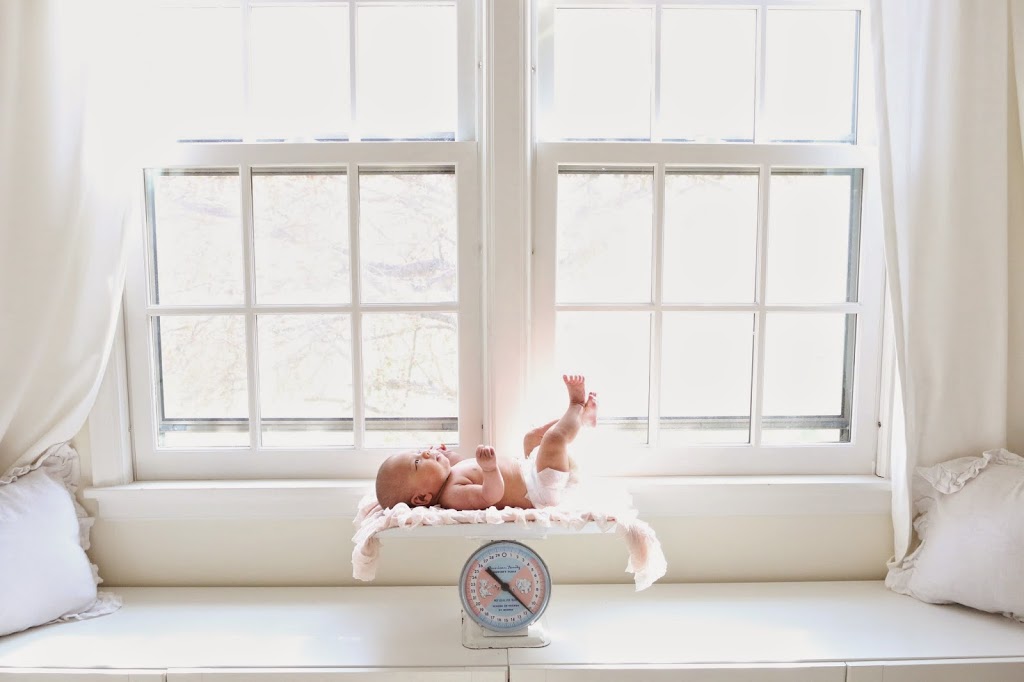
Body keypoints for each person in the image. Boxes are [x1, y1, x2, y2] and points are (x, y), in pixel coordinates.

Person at [374, 374, 598, 510]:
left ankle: (581, 420)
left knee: (531, 437)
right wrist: (490, 469)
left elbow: (461, 462)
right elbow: (490, 496)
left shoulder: (451, 474)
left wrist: (444, 454)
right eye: (417, 462)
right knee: (552, 440)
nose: (425, 453)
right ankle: (576, 406)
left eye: (419, 451)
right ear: (422, 498)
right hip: (540, 490)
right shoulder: (452, 495)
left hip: (529, 470)